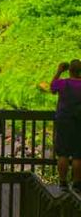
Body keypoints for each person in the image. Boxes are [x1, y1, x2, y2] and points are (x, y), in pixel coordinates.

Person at [51, 59, 81, 191]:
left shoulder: (63, 83)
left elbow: (52, 88)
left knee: (63, 153)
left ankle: (63, 183)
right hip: (78, 122)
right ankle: (77, 184)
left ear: (69, 70)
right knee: (78, 155)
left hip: (63, 121)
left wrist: (59, 71)